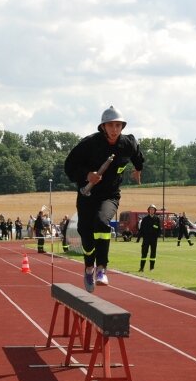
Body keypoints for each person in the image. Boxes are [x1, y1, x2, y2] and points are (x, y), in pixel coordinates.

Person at [64, 105, 143, 292]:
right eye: (111, 125)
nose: (114, 129)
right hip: (87, 193)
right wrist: (87, 174)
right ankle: (89, 266)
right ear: (103, 127)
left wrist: (138, 169)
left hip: (110, 195)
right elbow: (69, 166)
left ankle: (101, 269)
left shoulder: (128, 144)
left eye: (118, 125)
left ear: (122, 127)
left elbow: (138, 156)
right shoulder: (88, 144)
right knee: (86, 232)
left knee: (102, 222)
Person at [137, 204, 161, 272]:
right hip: (146, 239)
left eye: (153, 209)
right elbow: (141, 229)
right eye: (150, 209)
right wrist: (138, 239)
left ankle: (152, 268)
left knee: (153, 253)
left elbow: (159, 229)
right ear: (148, 210)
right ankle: (141, 268)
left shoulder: (157, 219)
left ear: (155, 211)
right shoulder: (145, 219)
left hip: (153, 239)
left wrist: (156, 235)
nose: (151, 211)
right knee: (144, 253)